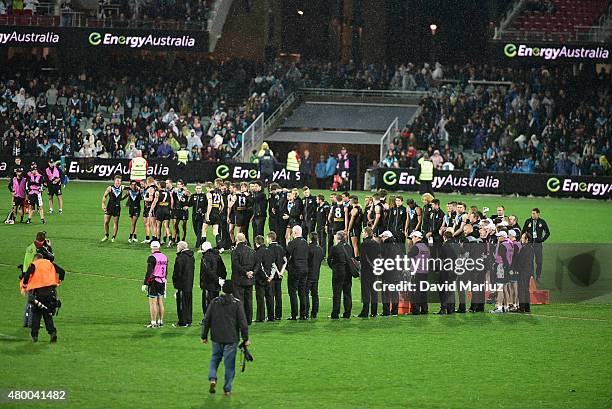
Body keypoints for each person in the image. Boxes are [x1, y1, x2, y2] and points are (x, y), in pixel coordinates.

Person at [201, 280, 250, 396]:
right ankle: (227, 389)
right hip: (231, 339)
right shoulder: (237, 303)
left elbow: (206, 319)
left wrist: (204, 336)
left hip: (216, 337)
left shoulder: (215, 302)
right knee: (229, 365)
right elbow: (243, 323)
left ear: (223, 289)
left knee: (214, 359)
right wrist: (246, 338)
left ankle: (212, 378)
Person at [20, 254, 65, 342]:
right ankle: (52, 333)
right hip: (50, 293)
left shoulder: (34, 264)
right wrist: (59, 281)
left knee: (36, 314)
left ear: (35, 259)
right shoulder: (50, 263)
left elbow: (27, 275)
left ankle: (34, 335)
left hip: (38, 293)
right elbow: (62, 272)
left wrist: (24, 287)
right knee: (47, 314)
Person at [230, 233, 256, 325]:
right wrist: (252, 272)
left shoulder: (235, 251)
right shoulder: (252, 251)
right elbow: (257, 264)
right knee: (249, 300)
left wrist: (245, 273)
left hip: (239, 281)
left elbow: (236, 265)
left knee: (239, 301)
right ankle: (248, 320)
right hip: (249, 280)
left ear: (237, 240)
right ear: (245, 240)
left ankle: (241, 320)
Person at [141, 241, 168, 327]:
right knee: (160, 302)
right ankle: (160, 321)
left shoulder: (151, 258)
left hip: (154, 282)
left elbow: (149, 271)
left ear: (152, 248)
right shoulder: (164, 257)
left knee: (152, 303)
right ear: (159, 247)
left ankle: (153, 322)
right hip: (162, 281)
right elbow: (166, 270)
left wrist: (145, 283)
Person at [327, 231, 353, 319]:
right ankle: (347, 313)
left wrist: (334, 267)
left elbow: (329, 260)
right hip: (348, 273)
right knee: (347, 293)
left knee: (337, 293)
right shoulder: (349, 247)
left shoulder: (335, 248)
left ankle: (335, 313)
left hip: (338, 273)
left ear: (338, 238)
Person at [286, 225, 309, 320]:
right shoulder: (305, 243)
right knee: (302, 292)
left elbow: (286, 256)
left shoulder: (292, 243)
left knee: (292, 292)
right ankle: (303, 314)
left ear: (294, 233)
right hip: (304, 269)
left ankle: (294, 314)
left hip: (295, 270)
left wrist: (287, 268)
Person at [521, 208, 550, 282]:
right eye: (532, 213)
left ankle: (538, 276)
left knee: (539, 262)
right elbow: (523, 231)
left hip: (538, 245)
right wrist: (524, 241)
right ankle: (532, 276)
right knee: (530, 261)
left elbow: (547, 232)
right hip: (529, 245)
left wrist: (542, 240)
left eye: (534, 213)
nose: (532, 215)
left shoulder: (542, 222)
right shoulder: (528, 221)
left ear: (538, 214)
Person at [358, 227, 381, 317]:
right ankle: (374, 312)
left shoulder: (364, 244)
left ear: (366, 233)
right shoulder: (376, 243)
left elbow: (363, 258)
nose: (362, 233)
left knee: (365, 291)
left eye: (363, 232)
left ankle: (365, 311)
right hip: (374, 270)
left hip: (366, 270)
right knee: (374, 291)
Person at [172, 241, 195, 327]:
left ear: (181, 247)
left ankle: (182, 322)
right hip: (189, 283)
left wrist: (176, 284)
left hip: (182, 284)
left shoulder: (180, 258)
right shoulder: (191, 257)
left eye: (178, 246)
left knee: (181, 303)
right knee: (188, 303)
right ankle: (189, 320)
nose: (177, 247)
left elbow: (177, 272)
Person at [199, 241, 225, 318]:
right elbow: (223, 270)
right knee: (216, 303)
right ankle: (215, 319)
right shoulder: (218, 256)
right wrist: (221, 279)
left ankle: (207, 320)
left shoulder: (205, 257)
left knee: (207, 304)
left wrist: (217, 279)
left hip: (207, 284)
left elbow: (208, 271)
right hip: (216, 285)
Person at [408, 231, 430, 315]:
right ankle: (424, 309)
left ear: (417, 237)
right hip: (425, 272)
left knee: (415, 292)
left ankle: (415, 310)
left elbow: (409, 255)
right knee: (423, 292)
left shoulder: (416, 247)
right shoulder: (425, 247)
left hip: (417, 272)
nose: (412, 239)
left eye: (413, 237)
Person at [253, 235, 274, 322]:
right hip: (269, 278)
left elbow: (260, 267)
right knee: (269, 297)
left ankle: (260, 318)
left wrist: (266, 277)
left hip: (261, 279)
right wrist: (271, 276)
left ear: (256, 242)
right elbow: (273, 264)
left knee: (260, 298)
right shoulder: (269, 250)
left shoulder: (258, 252)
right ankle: (271, 317)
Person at [267, 231, 286, 320]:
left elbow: (272, 262)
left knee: (271, 295)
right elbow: (285, 261)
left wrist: (277, 272)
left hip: (272, 275)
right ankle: (279, 315)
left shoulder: (269, 248)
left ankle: (271, 316)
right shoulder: (281, 248)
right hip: (279, 276)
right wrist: (281, 272)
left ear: (270, 238)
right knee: (278, 295)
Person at [101, 175, 124, 242]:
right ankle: (106, 235)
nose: (118, 182)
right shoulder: (110, 188)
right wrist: (103, 204)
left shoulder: (122, 187)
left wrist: (124, 197)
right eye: (117, 181)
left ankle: (113, 237)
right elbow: (105, 196)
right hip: (109, 207)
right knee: (106, 222)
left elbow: (131, 188)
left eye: (120, 181)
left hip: (117, 208)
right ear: (114, 181)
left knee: (115, 223)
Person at [514, 233, 534, 313]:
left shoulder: (524, 249)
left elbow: (521, 261)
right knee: (526, 289)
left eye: (523, 238)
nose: (521, 239)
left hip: (523, 272)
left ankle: (522, 307)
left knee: (522, 289)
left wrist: (516, 269)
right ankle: (527, 307)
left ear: (527, 240)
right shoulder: (531, 248)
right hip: (528, 272)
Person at [307, 232, 324, 319]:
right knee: (315, 294)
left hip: (308, 275)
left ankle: (305, 312)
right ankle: (314, 313)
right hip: (316, 274)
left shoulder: (308, 248)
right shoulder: (320, 249)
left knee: (305, 294)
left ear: (310, 238)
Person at [190, 183, 208, 249]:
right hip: (194, 215)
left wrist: (203, 211)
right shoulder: (193, 195)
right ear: (195, 189)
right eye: (197, 188)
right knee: (195, 229)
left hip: (201, 215)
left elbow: (207, 205)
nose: (198, 189)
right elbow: (190, 204)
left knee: (199, 229)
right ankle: (200, 241)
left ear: (201, 189)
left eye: (199, 188)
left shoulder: (204, 196)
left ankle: (198, 243)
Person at [315, 194, 330, 258]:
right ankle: (320, 254)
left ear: (320, 200)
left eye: (317, 199)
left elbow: (327, 217)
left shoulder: (326, 206)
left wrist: (326, 225)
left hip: (323, 226)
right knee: (319, 241)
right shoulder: (318, 206)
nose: (316, 200)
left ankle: (323, 255)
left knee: (323, 241)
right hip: (318, 226)